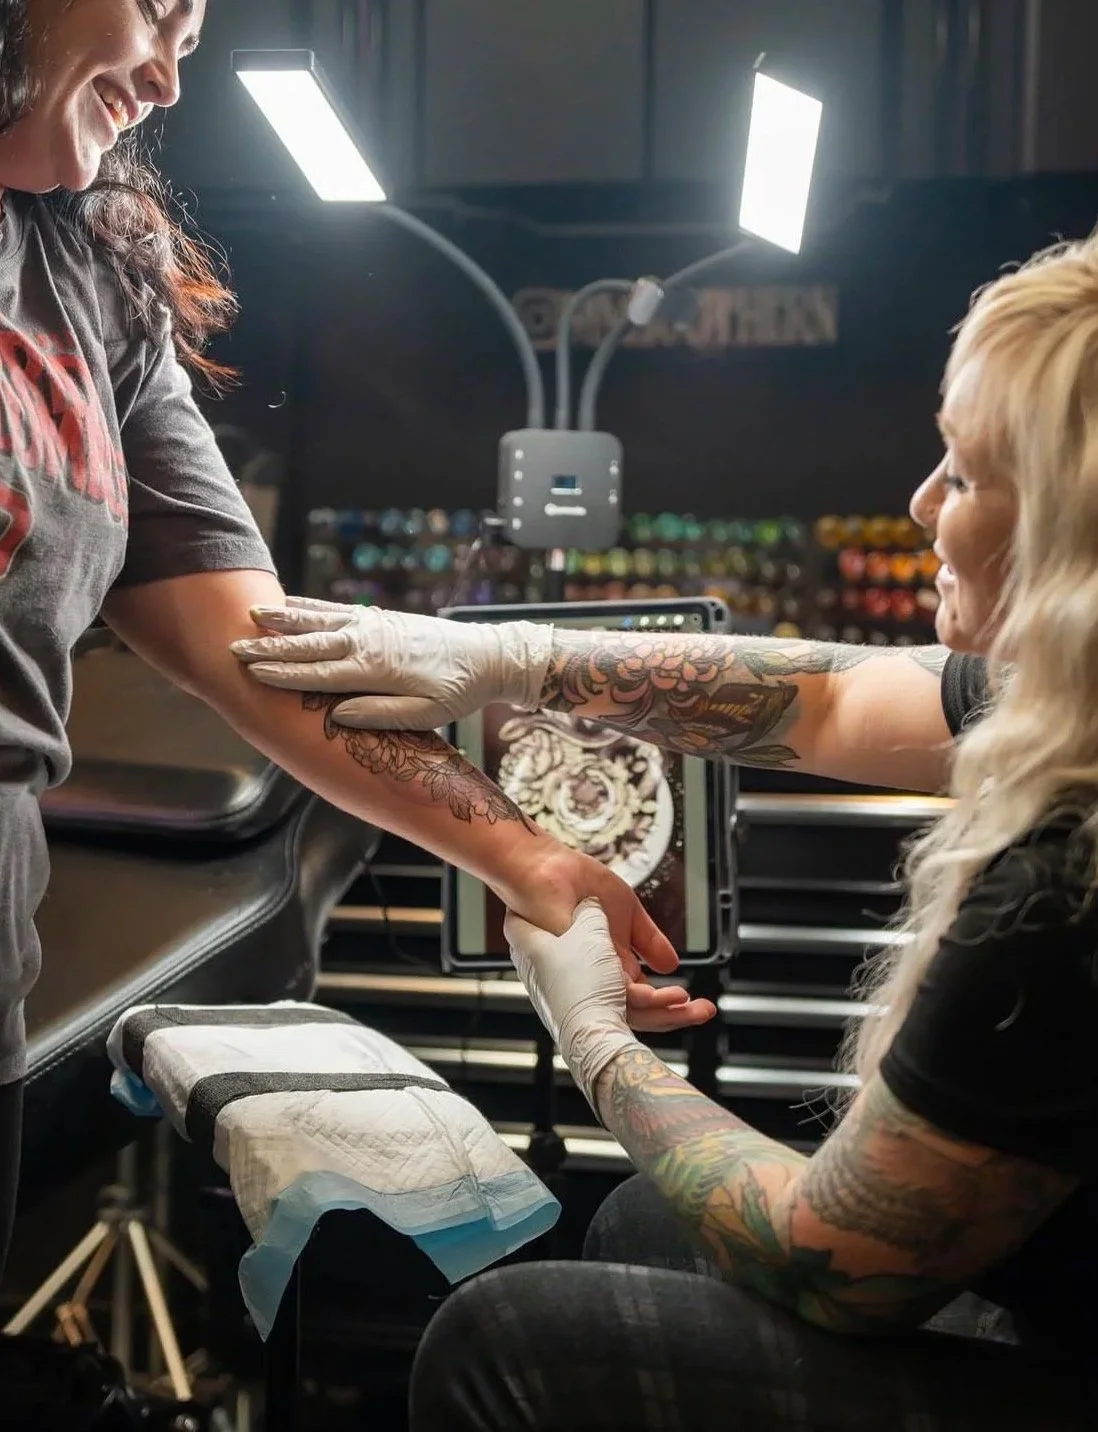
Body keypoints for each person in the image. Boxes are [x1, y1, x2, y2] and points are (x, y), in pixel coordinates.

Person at [238, 209, 1098, 1429]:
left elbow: (833, 1256)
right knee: (641, 1221)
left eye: (970, 474)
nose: (924, 502)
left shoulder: (1080, 882)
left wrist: (598, 1040)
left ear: (1083, 547)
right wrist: (507, 656)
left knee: (500, 1345)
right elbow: (830, 696)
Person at [0, 0, 712, 1288]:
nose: (166, 76)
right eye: (156, 11)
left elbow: (262, 646)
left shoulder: (93, 287)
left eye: (194, 40)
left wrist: (528, 856)